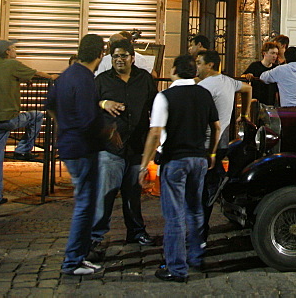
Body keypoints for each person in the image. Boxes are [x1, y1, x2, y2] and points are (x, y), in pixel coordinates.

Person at [139, 61, 220, 283]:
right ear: (193, 73)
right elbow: (216, 127)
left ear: (173, 71)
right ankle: (196, 256)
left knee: (174, 215)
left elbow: (155, 133)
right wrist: (211, 153)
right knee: (195, 210)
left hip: (175, 160)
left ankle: (176, 267)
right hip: (199, 159)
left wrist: (144, 163)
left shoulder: (164, 97)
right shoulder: (204, 94)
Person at [89, 38, 158, 261]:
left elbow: (154, 106)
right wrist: (103, 104)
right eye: (115, 56)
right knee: (106, 194)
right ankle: (95, 237)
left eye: (123, 56)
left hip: (136, 144)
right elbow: (88, 103)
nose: (119, 60)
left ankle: (136, 232)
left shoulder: (144, 79)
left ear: (132, 57)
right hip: (111, 146)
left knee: (132, 193)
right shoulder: (102, 80)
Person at [47, 34, 106, 276]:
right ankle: (73, 260)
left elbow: (50, 104)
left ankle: (78, 257)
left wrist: (63, 124)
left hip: (69, 145)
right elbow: (87, 119)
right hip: (82, 148)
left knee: (84, 202)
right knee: (85, 205)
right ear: (100, 56)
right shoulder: (85, 79)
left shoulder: (66, 75)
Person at [0, 40, 52, 204]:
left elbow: (6, 79)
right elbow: (36, 73)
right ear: (7, 52)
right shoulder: (12, 64)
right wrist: (52, 77)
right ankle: (23, 148)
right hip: (9, 117)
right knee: (37, 116)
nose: (16, 50)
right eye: (13, 48)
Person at [195, 50, 250, 241]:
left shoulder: (204, 86)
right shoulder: (228, 81)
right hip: (223, 142)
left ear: (210, 65)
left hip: (207, 144)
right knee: (210, 180)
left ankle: (200, 229)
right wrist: (245, 114)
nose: (197, 66)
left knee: (202, 188)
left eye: (199, 62)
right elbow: (247, 88)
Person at [239, 41, 280, 106]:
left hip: (271, 103)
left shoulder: (276, 68)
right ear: (264, 53)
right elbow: (242, 77)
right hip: (256, 102)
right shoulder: (255, 66)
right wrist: (248, 75)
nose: (275, 56)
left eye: (276, 54)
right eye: (272, 53)